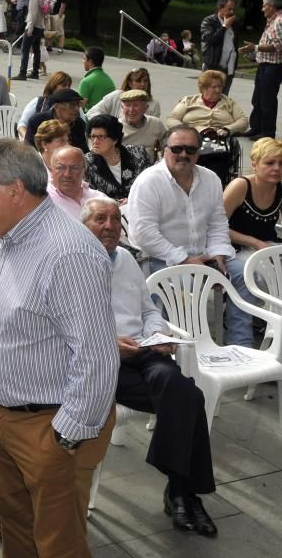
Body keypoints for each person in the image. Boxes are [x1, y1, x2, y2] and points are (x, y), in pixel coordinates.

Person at [0, 139, 118, 557]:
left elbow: (97, 357)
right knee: (15, 527)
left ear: (15, 190)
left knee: (57, 544)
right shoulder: (2, 234)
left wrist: (64, 439)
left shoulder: (70, 253)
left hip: (49, 426)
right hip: (0, 417)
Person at [81, 197, 218, 536]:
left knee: (180, 390)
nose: (111, 225)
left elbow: (147, 309)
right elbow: (69, 324)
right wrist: (111, 343)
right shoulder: (75, 263)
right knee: (190, 398)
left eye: (115, 218)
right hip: (103, 362)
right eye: (101, 218)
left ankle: (180, 491)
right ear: (83, 226)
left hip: (143, 352)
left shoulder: (126, 258)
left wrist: (157, 332)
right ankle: (182, 493)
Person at [127, 125, 251, 347]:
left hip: (205, 255)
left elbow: (217, 223)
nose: (183, 154)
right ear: (164, 150)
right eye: (177, 149)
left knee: (245, 274)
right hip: (162, 260)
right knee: (189, 285)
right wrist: (185, 259)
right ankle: (192, 350)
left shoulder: (210, 179)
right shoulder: (149, 182)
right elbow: (144, 234)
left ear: (198, 152)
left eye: (191, 150)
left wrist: (219, 254)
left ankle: (241, 345)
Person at [223, 136, 282, 325]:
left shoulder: (279, 188)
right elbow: (216, 227)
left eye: (281, 164)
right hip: (235, 248)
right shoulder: (240, 186)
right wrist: (255, 242)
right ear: (254, 164)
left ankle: (267, 318)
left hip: (267, 245)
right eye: (270, 163)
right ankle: (260, 316)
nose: (276, 169)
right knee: (264, 274)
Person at [239, 0, 282, 139]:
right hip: (265, 65)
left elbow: (278, 46)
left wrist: (255, 47)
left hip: (273, 67)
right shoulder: (273, 20)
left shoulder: (280, 21)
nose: (262, 9)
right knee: (257, 98)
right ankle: (256, 128)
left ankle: (267, 133)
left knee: (267, 100)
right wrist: (253, 54)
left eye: (265, 5)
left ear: (273, 6)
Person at [84, 114, 153, 201]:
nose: (95, 141)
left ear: (115, 139)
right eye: (93, 136)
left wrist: (132, 200)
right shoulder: (88, 162)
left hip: (140, 204)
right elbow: (89, 195)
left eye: (101, 137)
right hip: (108, 211)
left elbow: (150, 184)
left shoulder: (138, 154)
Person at [167, 69, 247, 139]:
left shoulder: (229, 102)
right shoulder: (189, 100)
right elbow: (172, 119)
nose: (218, 90)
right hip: (193, 137)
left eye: (220, 86)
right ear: (204, 88)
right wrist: (186, 131)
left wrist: (228, 129)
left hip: (221, 138)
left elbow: (243, 121)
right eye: (214, 87)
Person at [46, 146, 107, 220]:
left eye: (74, 168)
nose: (67, 174)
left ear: (84, 170)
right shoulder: (43, 201)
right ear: (51, 170)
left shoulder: (99, 198)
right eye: (61, 168)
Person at [86, 66, 163, 121]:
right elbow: (92, 112)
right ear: (130, 83)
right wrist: (106, 124)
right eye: (138, 81)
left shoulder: (154, 104)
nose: (143, 84)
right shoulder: (116, 96)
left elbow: (153, 128)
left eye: (145, 81)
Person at [24, 87, 88, 151]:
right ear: (56, 106)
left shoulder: (79, 124)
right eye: (72, 105)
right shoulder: (37, 121)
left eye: (78, 104)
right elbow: (28, 148)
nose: (77, 109)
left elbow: (83, 151)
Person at [200, 0, 241, 94]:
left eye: (233, 9)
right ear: (220, 8)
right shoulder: (209, 21)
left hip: (229, 68)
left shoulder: (235, 24)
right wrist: (224, 26)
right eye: (229, 9)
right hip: (212, 66)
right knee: (208, 96)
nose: (231, 12)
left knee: (223, 98)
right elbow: (211, 41)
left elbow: (233, 44)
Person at [17, 71, 73, 138]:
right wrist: (28, 140)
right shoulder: (38, 102)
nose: (67, 89)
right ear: (53, 86)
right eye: (63, 85)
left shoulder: (75, 106)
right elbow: (22, 124)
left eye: (68, 86)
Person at [117, 89, 166, 162]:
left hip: (150, 170)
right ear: (122, 108)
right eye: (127, 105)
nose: (131, 110)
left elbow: (167, 145)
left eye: (136, 105)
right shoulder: (116, 127)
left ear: (146, 108)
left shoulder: (156, 124)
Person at [15, 0, 45, 81]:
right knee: (36, 50)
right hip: (40, 26)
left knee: (25, 49)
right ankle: (35, 72)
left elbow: (32, 14)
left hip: (33, 26)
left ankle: (22, 73)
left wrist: (29, 29)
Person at [78, 47, 116, 111]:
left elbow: (79, 109)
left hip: (91, 119)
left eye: (84, 59)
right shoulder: (109, 80)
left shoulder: (86, 81)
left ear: (90, 62)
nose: (82, 62)